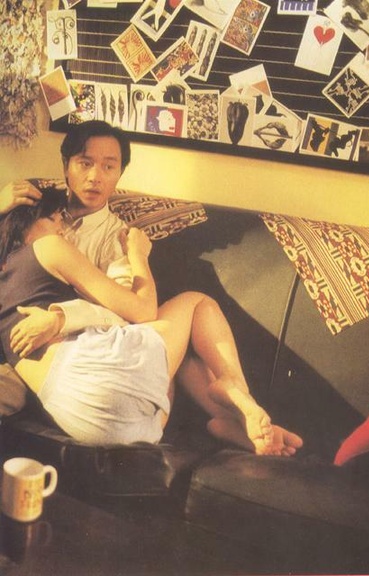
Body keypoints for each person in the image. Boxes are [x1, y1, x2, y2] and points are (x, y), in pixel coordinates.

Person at [0, 120, 303, 455]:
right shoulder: (33, 208)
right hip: (41, 375)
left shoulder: (117, 239)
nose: (95, 176)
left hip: (85, 372)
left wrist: (61, 318)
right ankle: (230, 399)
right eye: (84, 163)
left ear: (120, 174)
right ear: (66, 166)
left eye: (108, 167)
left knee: (170, 346)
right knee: (189, 315)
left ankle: (229, 417)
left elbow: (130, 318)